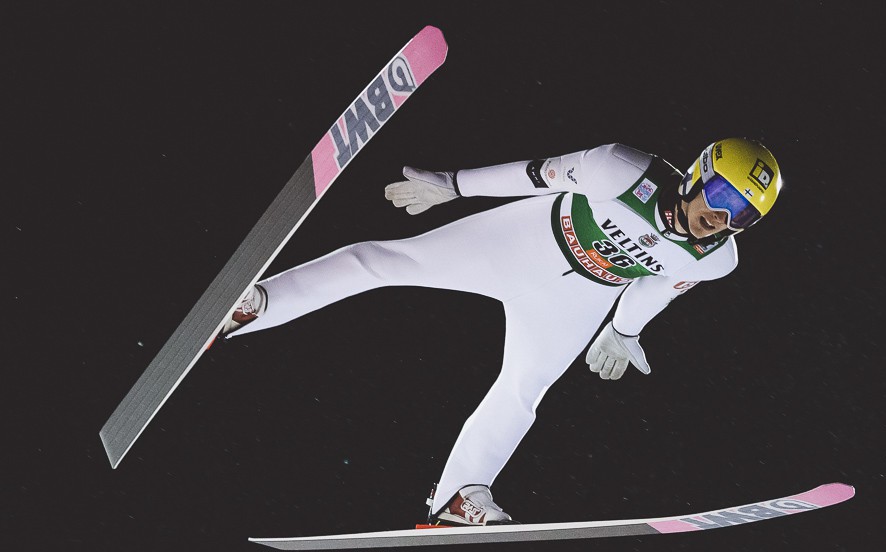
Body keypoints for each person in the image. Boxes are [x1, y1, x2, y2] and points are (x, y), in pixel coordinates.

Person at [222, 138, 783, 526]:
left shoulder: (718, 258)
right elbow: (536, 173)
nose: (723, 219)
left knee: (522, 391)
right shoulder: (621, 169)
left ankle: (458, 498)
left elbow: (659, 285)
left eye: (743, 215)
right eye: (723, 198)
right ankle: (256, 305)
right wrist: (454, 185)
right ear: (698, 174)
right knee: (379, 261)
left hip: (577, 299)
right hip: (524, 242)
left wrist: (625, 330)